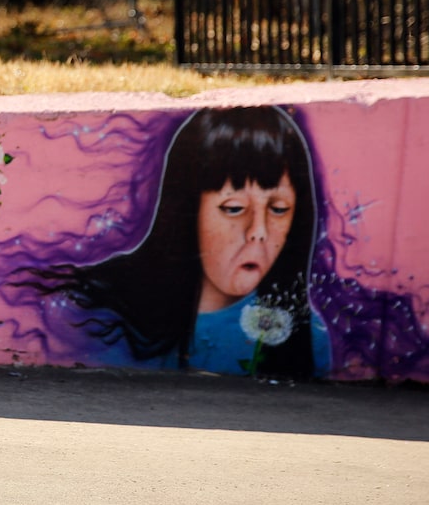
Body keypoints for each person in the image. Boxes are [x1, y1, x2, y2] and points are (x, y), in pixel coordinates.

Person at [27, 106, 329, 379]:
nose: (258, 231)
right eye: (234, 208)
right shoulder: (103, 318)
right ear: (187, 210)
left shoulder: (305, 332)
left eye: (279, 209)